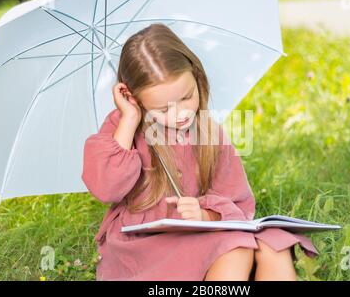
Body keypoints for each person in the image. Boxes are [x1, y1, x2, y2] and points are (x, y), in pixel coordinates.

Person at [81, 23, 318, 281]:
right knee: (236, 248)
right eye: (162, 110)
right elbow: (107, 188)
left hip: (200, 231)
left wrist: (205, 213)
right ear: (133, 98)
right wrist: (129, 119)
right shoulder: (122, 128)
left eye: (186, 97)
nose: (181, 114)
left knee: (274, 245)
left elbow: (237, 200)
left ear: (197, 76)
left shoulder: (207, 133)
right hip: (143, 242)